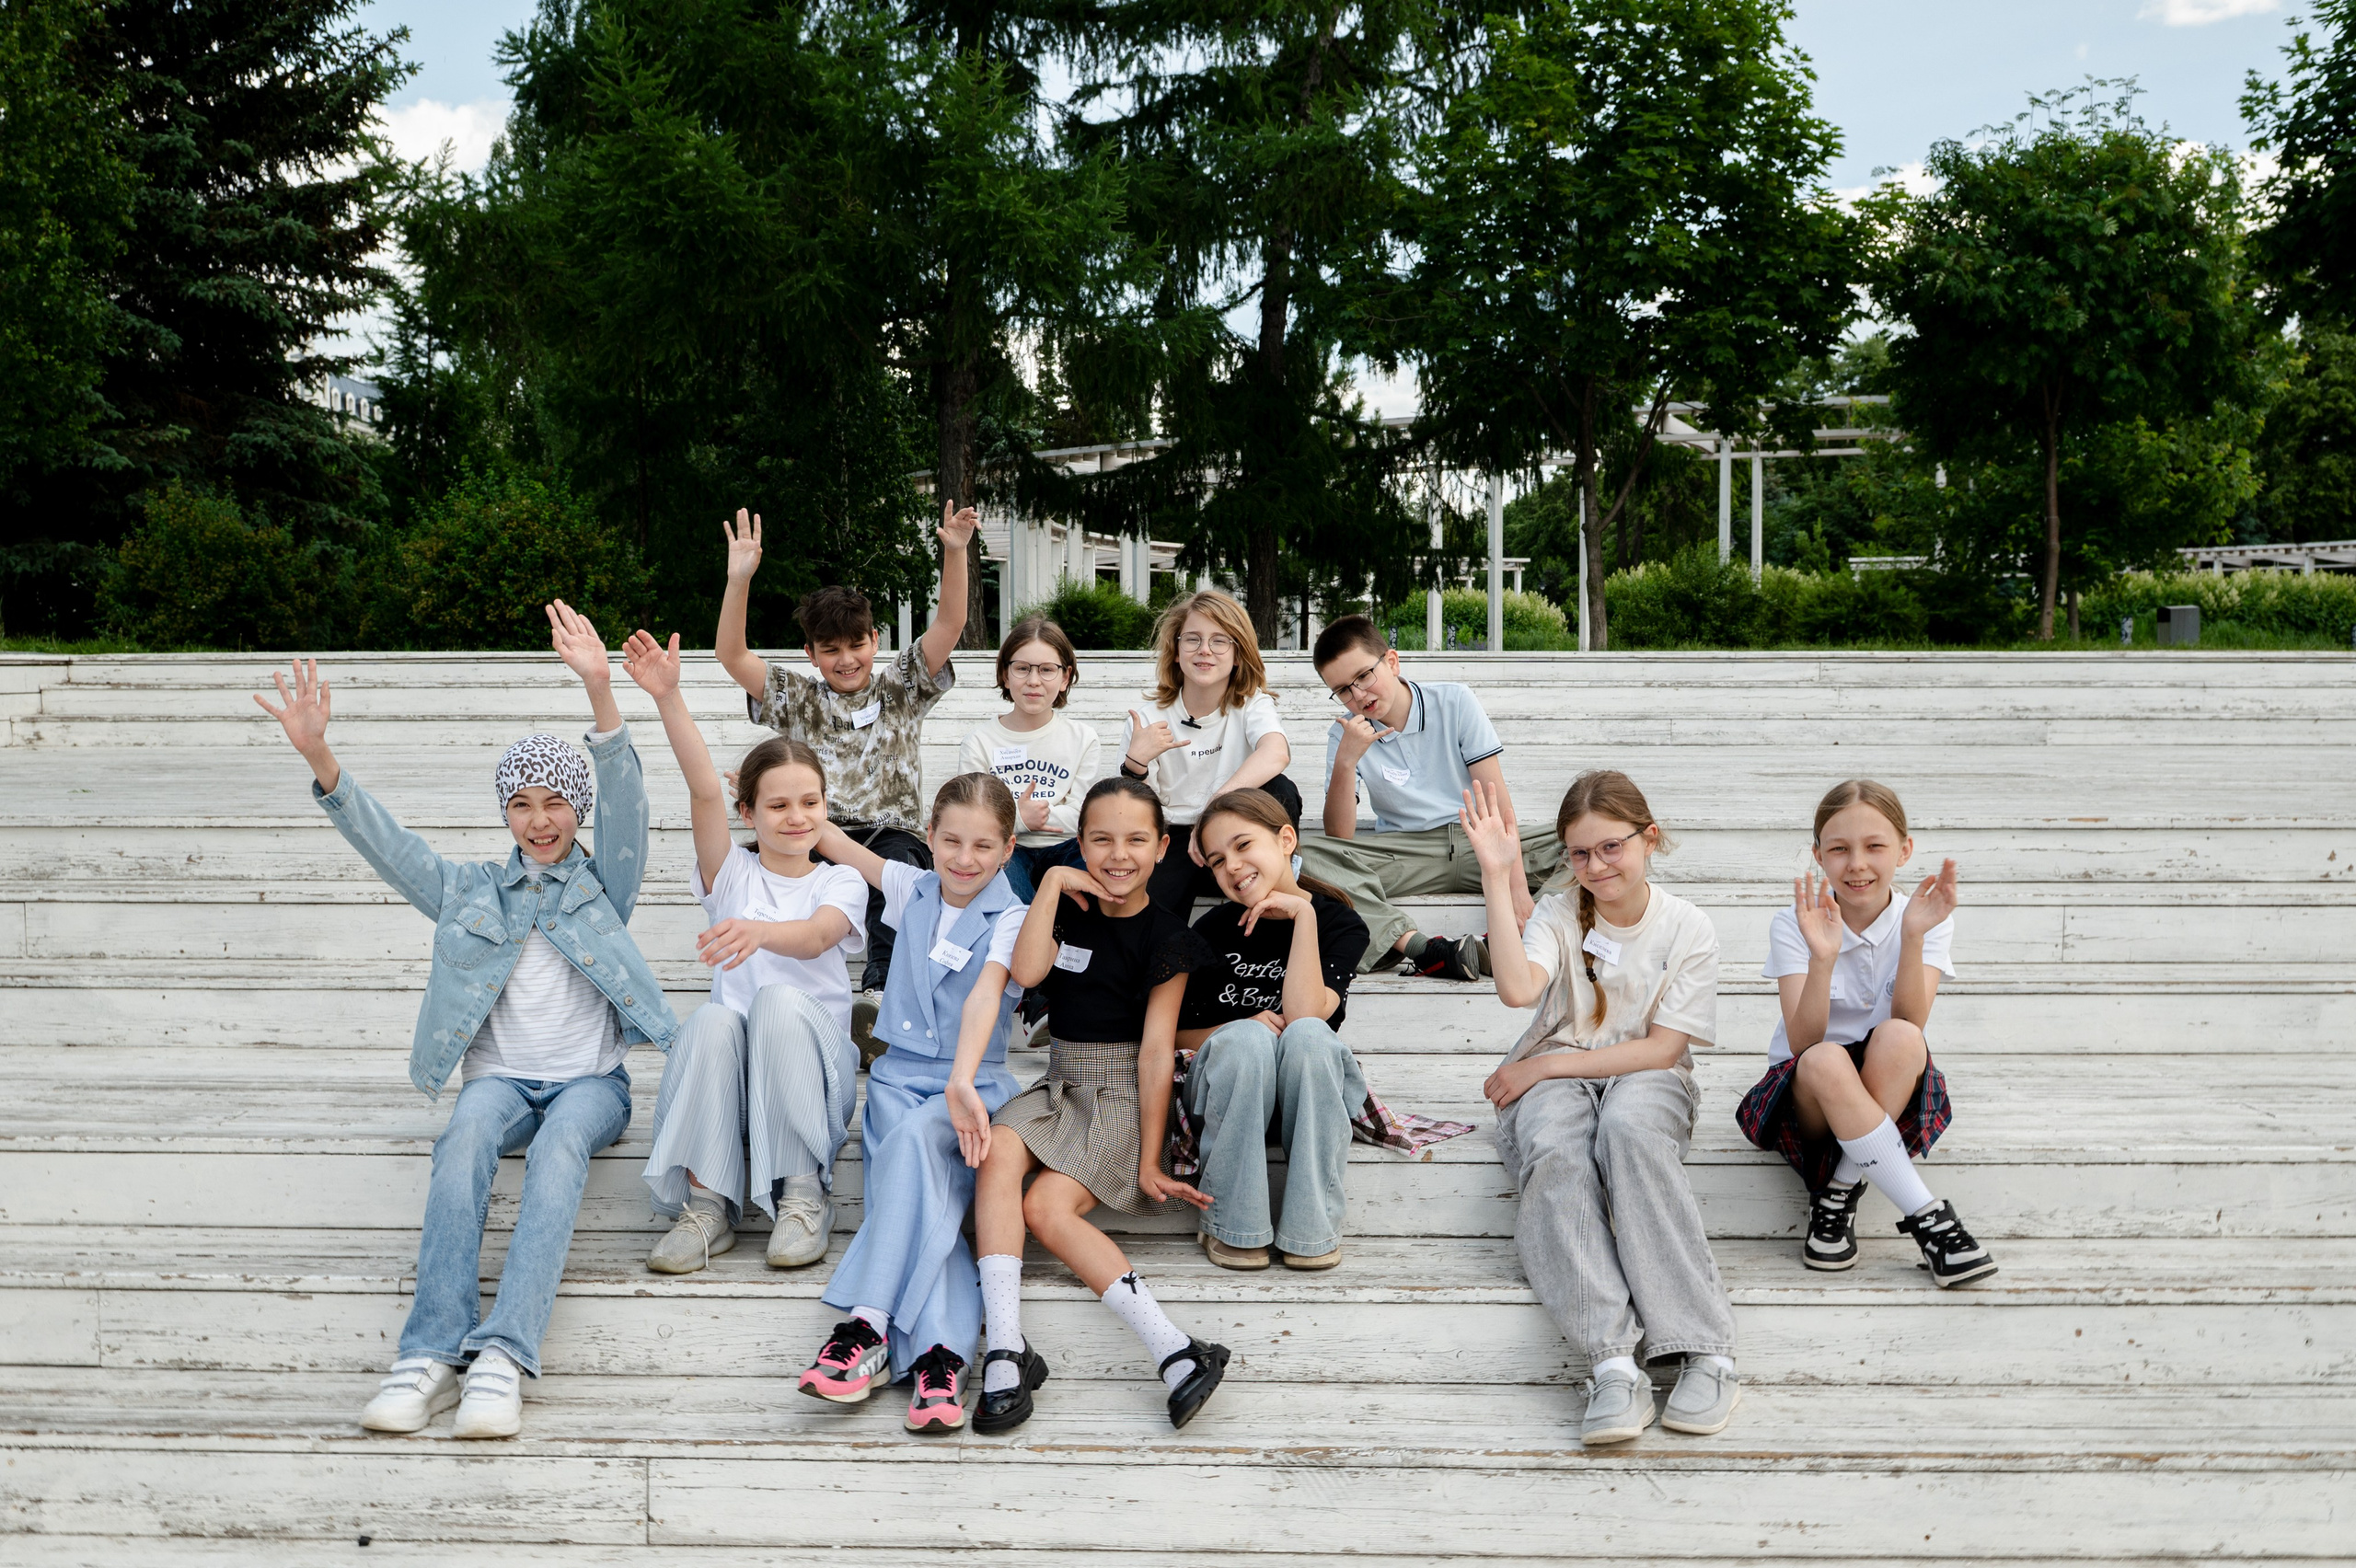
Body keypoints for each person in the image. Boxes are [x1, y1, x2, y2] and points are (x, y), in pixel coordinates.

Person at [251, 605, 677, 1442]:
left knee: (559, 1150)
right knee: (462, 1142)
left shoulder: (604, 885)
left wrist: (600, 689)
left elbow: (628, 803)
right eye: (521, 804)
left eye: (555, 803)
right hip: (499, 1083)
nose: (539, 820)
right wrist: (320, 757)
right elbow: (391, 847)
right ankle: (429, 1354)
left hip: (591, 1087)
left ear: (577, 809)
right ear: (504, 814)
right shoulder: (468, 891)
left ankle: (503, 1357)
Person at [1462, 771, 1739, 1447]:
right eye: (1580, 853)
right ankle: (1614, 1364)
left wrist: (1543, 1065)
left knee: (1628, 1130)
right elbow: (1516, 990)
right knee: (1559, 1150)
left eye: (1611, 847)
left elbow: (1663, 1049)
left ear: (1649, 839)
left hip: (1645, 1073)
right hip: (1556, 1073)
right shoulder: (1559, 914)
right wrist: (1497, 877)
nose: (1596, 866)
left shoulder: (1688, 926)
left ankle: (1705, 1350)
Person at [971, 777, 1230, 1434]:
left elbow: (1157, 1052)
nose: (1119, 854)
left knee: (1044, 1208)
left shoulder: (1168, 937)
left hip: (1122, 1093)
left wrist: (1149, 1159)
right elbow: (1027, 974)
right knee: (997, 1149)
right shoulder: (1064, 911)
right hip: (1059, 1084)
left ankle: (1175, 1349)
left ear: (1162, 848)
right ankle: (1006, 1346)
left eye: (1136, 840)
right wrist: (1053, 883)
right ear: (1080, 844)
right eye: (1101, 839)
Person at [624, 629, 868, 1275]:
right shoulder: (732, 876)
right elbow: (703, 790)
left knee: (779, 1001)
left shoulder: (839, 880)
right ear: (748, 812)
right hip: (737, 1080)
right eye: (778, 805)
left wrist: (759, 934)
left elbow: (816, 937)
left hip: (817, 1075)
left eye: (810, 803)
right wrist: (668, 697)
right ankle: (708, 1205)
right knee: (709, 1019)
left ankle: (804, 1196)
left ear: (826, 807)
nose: (797, 817)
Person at [792, 774, 1029, 1433]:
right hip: (896, 1079)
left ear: (1008, 849)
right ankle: (939, 1361)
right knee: (937, 1216)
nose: (964, 858)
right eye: (951, 841)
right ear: (928, 837)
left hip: (972, 1084)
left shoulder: (1012, 918)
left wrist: (960, 1081)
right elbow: (830, 838)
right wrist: (790, 796)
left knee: (916, 1148)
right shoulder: (909, 888)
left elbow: (986, 994)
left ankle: (866, 1324)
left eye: (983, 846)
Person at [1172, 788, 1470, 1273]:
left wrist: (1303, 916)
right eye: (1217, 860)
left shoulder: (1338, 922)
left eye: (1243, 845)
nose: (1232, 866)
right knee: (1247, 1039)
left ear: (1286, 839)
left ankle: (1310, 1228)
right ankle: (1231, 1222)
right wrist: (1239, 1026)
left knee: (1309, 1036)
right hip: (1229, 1100)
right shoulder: (1210, 930)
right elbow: (1175, 1036)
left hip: (1306, 1105)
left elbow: (1308, 1014)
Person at [715, 502, 978, 1036]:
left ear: (875, 640)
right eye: (830, 649)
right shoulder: (798, 697)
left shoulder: (901, 686)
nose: (847, 659)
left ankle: (879, 992)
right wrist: (738, 580)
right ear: (810, 653)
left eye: (857, 645)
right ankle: (761, 980)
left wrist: (955, 552)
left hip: (890, 834)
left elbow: (951, 623)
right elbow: (732, 655)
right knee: (755, 865)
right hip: (813, 832)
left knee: (899, 870)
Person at [1736, 779, 1993, 1287]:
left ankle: (1836, 1195)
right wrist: (1823, 957)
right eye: (1839, 849)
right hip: (1810, 1091)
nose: (1857, 864)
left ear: (1904, 850)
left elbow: (1911, 1023)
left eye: (1875, 846)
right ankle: (1928, 1216)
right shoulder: (1795, 923)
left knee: (1902, 1037)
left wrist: (1913, 936)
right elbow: (1803, 1043)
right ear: (1818, 855)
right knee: (1827, 1058)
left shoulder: (1924, 917)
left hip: (1887, 1081)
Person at [1295, 616, 1564, 980]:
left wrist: (1514, 886)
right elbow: (1340, 837)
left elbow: (1495, 798)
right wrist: (1346, 761)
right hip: (1406, 853)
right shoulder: (1344, 734)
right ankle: (1424, 949)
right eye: (1342, 690)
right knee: (1302, 860)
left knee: (1587, 840)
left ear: (1392, 662)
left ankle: (1530, 933)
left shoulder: (1454, 701)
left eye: (1364, 676)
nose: (1358, 695)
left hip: (1480, 840)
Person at [1116, 590, 1299, 918]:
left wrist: (1211, 812)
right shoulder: (1147, 719)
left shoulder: (1252, 705)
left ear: (1238, 655)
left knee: (1280, 789)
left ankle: (1275, 910)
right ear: (1176, 651)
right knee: (1155, 923)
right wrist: (1136, 764)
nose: (1204, 650)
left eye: (1219, 641)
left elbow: (1276, 752)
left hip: (1236, 839)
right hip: (1174, 843)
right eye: (1192, 639)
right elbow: (1138, 812)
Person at [957, 616, 1102, 902]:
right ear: (1005, 674)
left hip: (1068, 846)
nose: (1033, 681)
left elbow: (1084, 816)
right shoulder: (979, 742)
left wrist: (1026, 817)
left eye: (1047, 670)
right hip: (1005, 849)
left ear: (1065, 677)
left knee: (1094, 884)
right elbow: (973, 818)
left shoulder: (1083, 738)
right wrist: (1021, 818)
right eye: (1022, 668)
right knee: (1008, 893)